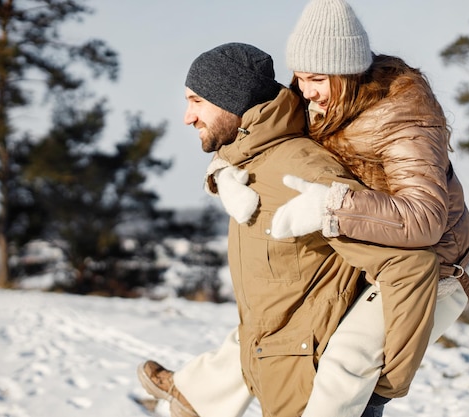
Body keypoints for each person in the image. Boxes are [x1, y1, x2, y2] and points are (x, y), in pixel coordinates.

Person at [137, 42, 440, 417]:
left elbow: (409, 265)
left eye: (197, 101)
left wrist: (385, 387)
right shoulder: (251, 163)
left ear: (232, 100)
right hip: (276, 372)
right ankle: (193, 395)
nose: (187, 117)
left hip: (315, 393)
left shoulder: (299, 171)